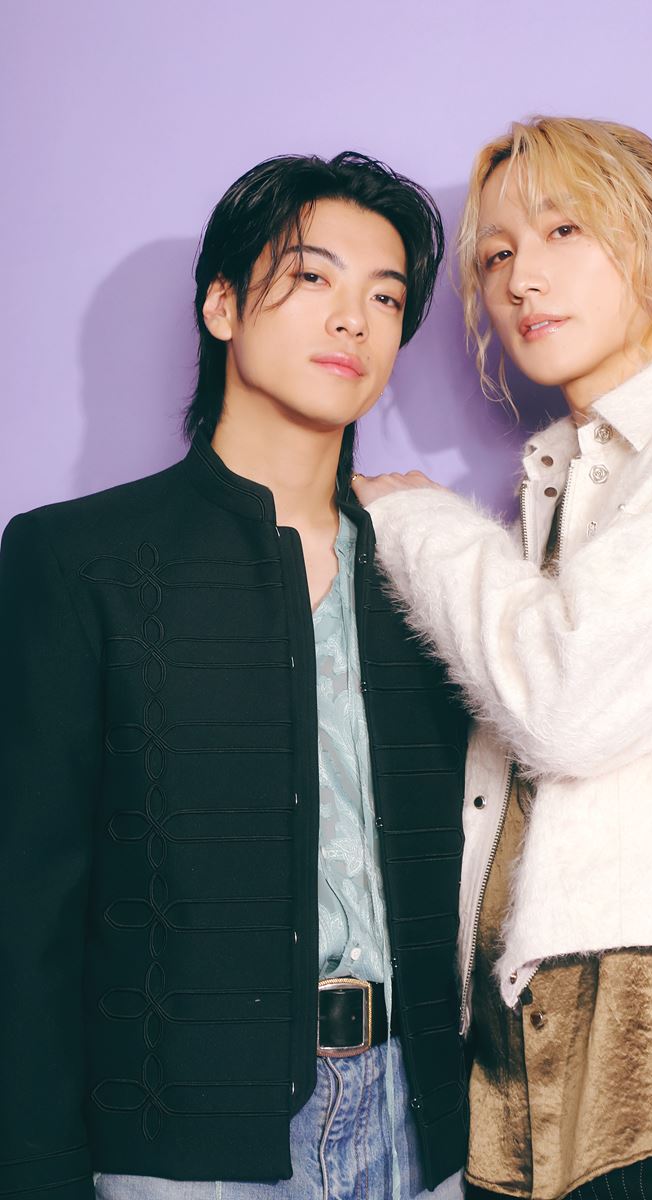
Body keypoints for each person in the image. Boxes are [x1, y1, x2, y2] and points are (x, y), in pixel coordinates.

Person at [0, 151, 469, 1200]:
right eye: (311, 278)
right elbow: (27, 909)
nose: (352, 319)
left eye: (385, 297)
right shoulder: (79, 560)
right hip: (186, 1147)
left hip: (421, 1128)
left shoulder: (432, 566)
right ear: (222, 305)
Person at [352, 116, 652, 1199]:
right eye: (496, 254)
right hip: (523, 1057)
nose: (521, 279)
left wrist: (417, 521)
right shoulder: (566, 481)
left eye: (564, 231)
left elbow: (568, 698)